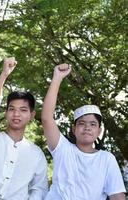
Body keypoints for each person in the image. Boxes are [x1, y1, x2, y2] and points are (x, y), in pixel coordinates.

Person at [41, 64, 126, 200]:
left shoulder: (107, 159)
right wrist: (57, 78)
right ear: (74, 129)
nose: (87, 128)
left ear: (99, 131)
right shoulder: (63, 150)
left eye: (93, 124)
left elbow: (117, 195)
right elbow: (46, 118)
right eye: (81, 123)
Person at [0, 57, 48, 200]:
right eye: (12, 109)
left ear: (31, 115)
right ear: (6, 113)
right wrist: (4, 75)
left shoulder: (36, 154)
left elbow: (39, 189)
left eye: (23, 110)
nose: (16, 114)